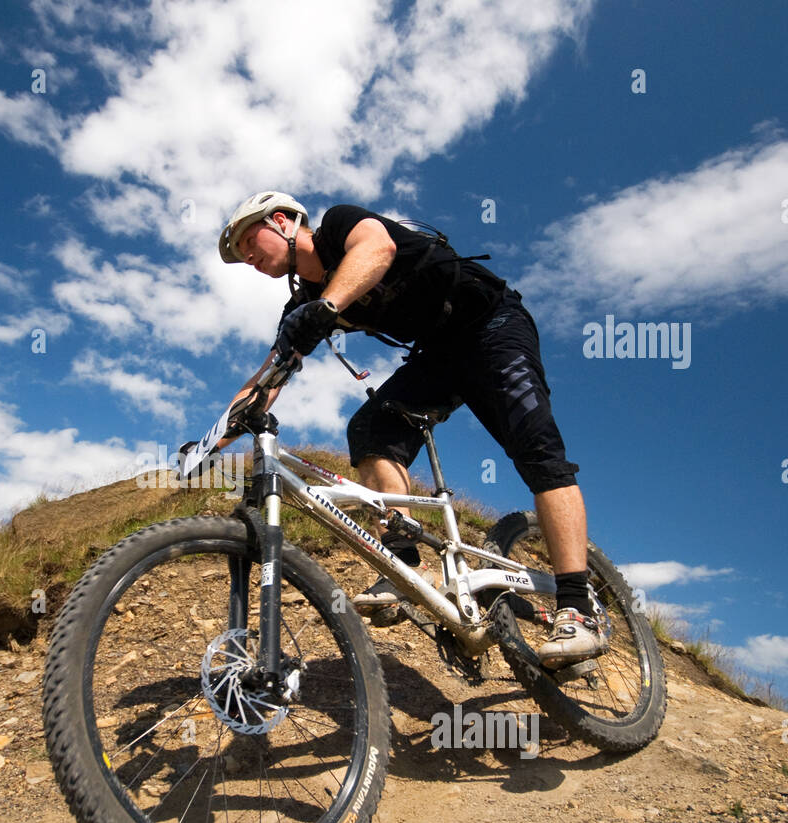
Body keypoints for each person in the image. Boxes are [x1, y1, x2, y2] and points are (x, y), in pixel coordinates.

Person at [215, 190, 604, 668]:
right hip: (437, 356)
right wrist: (213, 437)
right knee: (371, 429)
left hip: (492, 325)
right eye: (238, 256)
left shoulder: (339, 225)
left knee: (537, 451)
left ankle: (578, 608)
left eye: (248, 241)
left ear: (281, 221)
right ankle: (403, 563)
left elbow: (378, 250)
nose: (246, 256)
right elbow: (270, 374)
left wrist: (328, 306)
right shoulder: (304, 302)